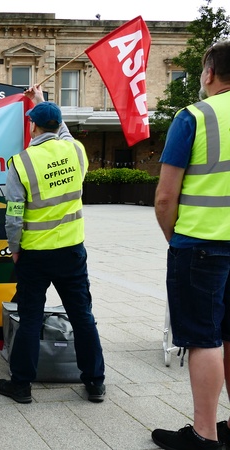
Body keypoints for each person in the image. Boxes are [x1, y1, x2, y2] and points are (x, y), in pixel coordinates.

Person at [0, 86, 105, 404]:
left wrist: (14, 248)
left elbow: (14, 214)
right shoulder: (76, 151)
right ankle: (95, 382)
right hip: (71, 250)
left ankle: (22, 385)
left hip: (35, 253)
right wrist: (42, 102)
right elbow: (64, 133)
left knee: (30, 317)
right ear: (57, 126)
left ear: (33, 127)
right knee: (82, 315)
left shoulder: (22, 162)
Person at [152, 41, 230, 450]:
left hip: (201, 244)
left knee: (204, 338)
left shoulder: (194, 117)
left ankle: (205, 434)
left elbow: (165, 198)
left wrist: (174, 237)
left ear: (209, 73)